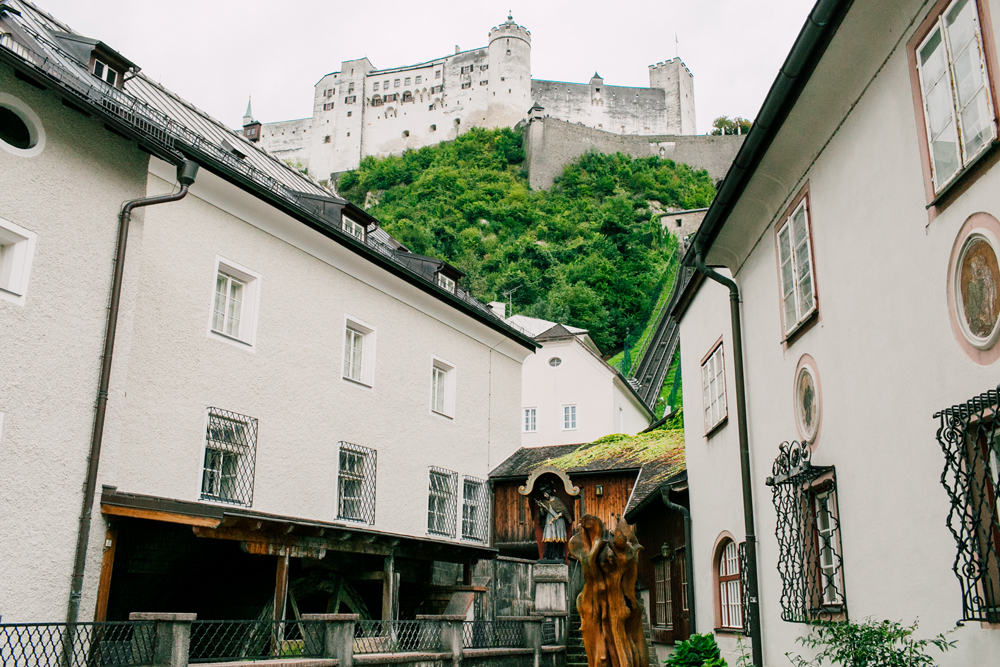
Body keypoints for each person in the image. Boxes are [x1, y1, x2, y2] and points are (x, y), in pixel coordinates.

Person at [537, 487, 570, 561]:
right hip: (549, 521)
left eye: (546, 494)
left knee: (557, 538)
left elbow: (564, 510)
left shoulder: (557, 500)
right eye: (544, 494)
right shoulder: (545, 502)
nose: (545, 496)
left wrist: (559, 515)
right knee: (549, 537)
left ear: (549, 493)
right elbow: (542, 514)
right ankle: (547, 556)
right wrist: (541, 508)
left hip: (558, 521)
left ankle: (558, 556)